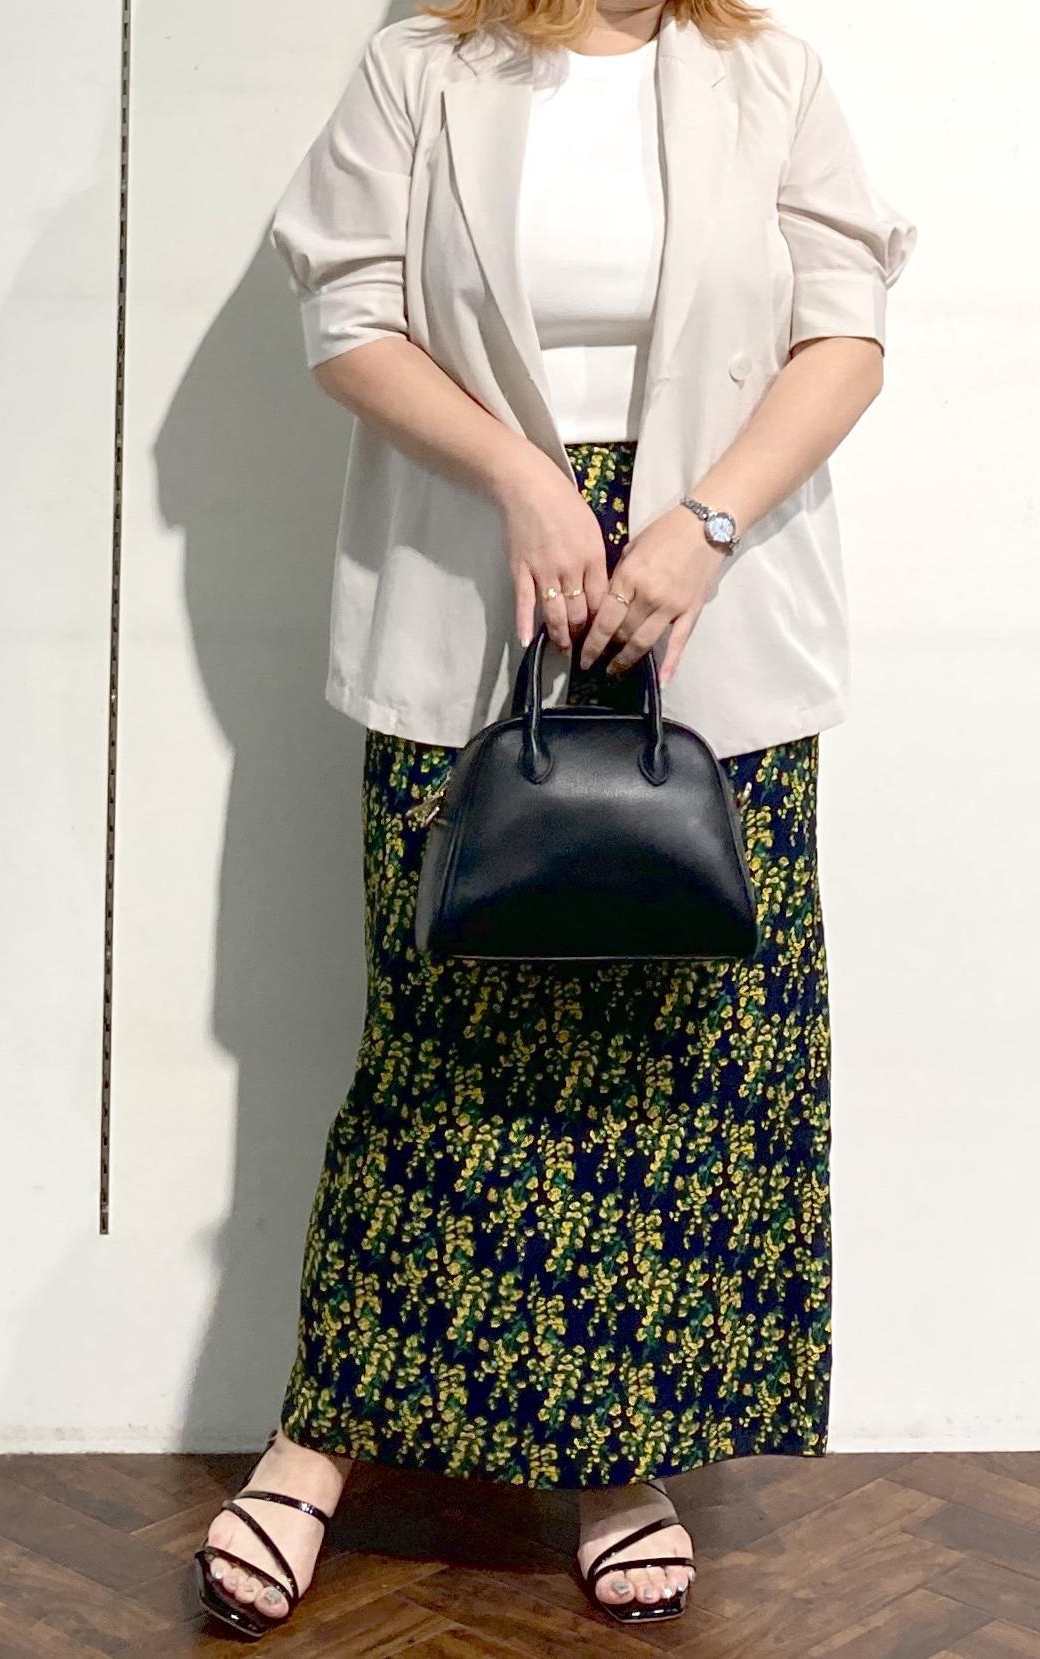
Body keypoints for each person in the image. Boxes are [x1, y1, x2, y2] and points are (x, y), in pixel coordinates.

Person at [193, 0, 917, 1636]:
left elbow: (846, 332)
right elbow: (348, 313)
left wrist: (702, 527)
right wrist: (526, 478)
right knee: (442, 1048)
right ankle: (317, 1448)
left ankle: (619, 1464)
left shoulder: (766, 72)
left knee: (672, 1061)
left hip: (708, 606)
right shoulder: (425, 65)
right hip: (475, 593)